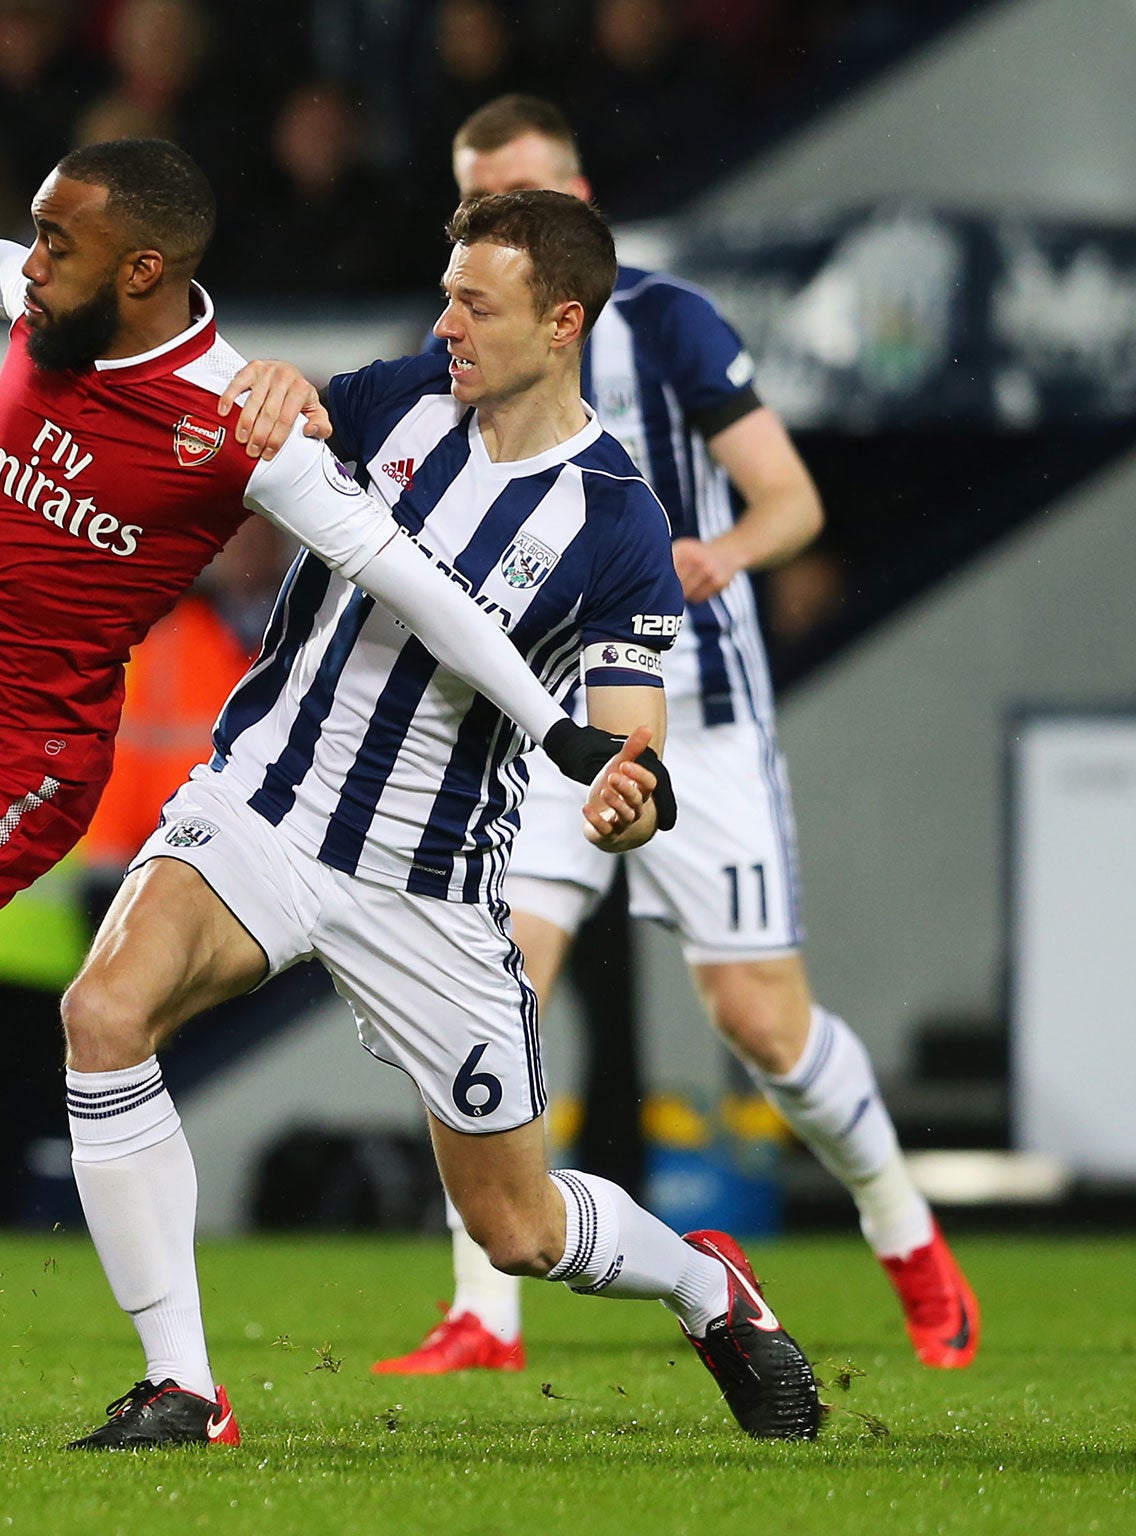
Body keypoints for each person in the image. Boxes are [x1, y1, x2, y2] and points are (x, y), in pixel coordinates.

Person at [0, 137, 659, 1450]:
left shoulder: (234, 421)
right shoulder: (48, 304)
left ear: (144, 270)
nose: (32, 262)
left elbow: (413, 582)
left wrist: (558, 730)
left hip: (11, 758)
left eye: (61, 242)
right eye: (40, 234)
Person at [61, 189, 822, 1451]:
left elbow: (627, 743)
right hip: (261, 804)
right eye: (445, 292)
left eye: (477, 304)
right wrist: (277, 389)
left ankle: (704, 1286)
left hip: (427, 879)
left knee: (512, 1230)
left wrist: (626, 802)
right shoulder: (396, 401)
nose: (446, 321)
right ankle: (182, 1388)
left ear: (562, 322)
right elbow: (288, 412)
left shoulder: (618, 522)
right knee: (101, 1011)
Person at [373, 95, 975, 1378]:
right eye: (477, 207)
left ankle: (899, 1222)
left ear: (580, 202)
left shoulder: (669, 322)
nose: (498, 232)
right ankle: (483, 1310)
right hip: (541, 727)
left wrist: (715, 554)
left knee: (761, 1025)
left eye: (523, 202)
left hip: (692, 721)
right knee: (495, 985)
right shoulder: (455, 349)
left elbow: (792, 501)